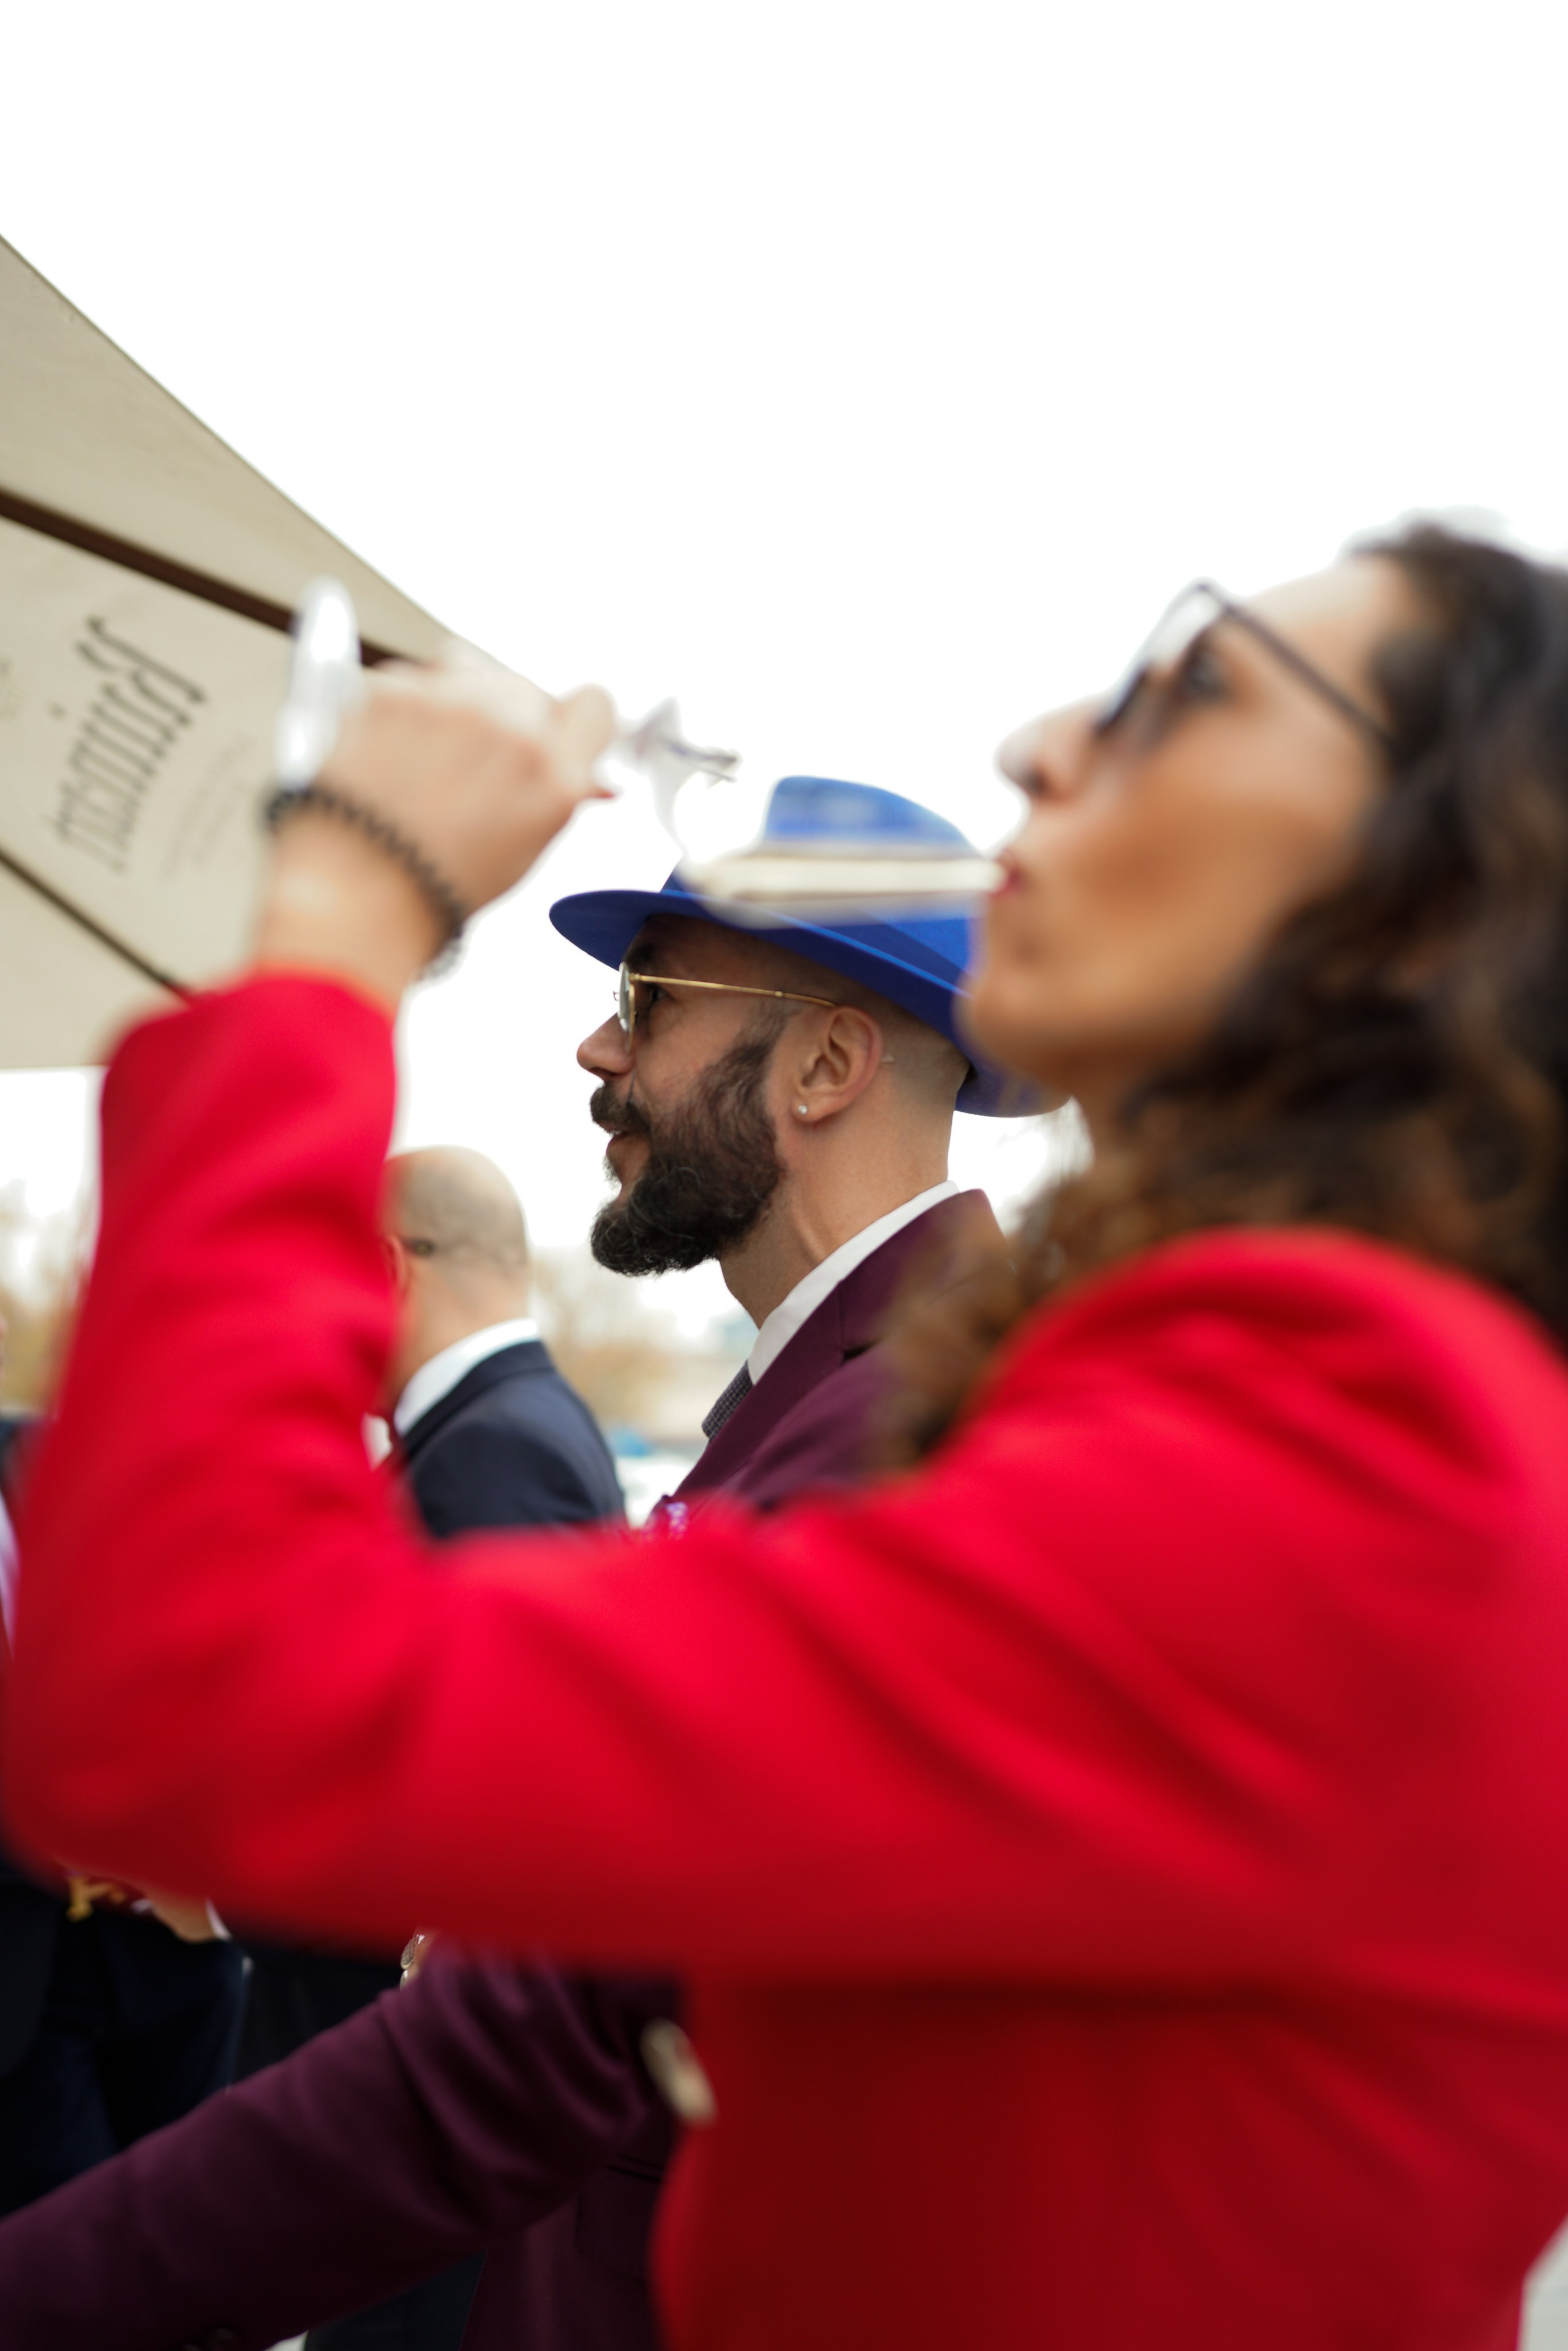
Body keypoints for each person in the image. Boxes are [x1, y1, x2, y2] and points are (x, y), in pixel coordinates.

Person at [11, 525, 1568, 2351]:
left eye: (1193, 687)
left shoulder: (1335, 1464)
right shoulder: (1186, 1404)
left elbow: (191, 1691)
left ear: (1427, 894)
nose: (1041, 746)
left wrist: (349, 909)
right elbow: (529, 2043)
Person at [0, 781, 1008, 2351]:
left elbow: (531, 2038)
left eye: (647, 1001)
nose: (600, 1053)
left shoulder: (913, 1427)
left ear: (823, 1061)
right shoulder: (829, 1395)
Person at [238, 1141, 624, 2351]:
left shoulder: (492, 1447)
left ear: (381, 1268)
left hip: (415, 2104)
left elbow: (479, 1833)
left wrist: (220, 1881)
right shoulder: (493, 1430)